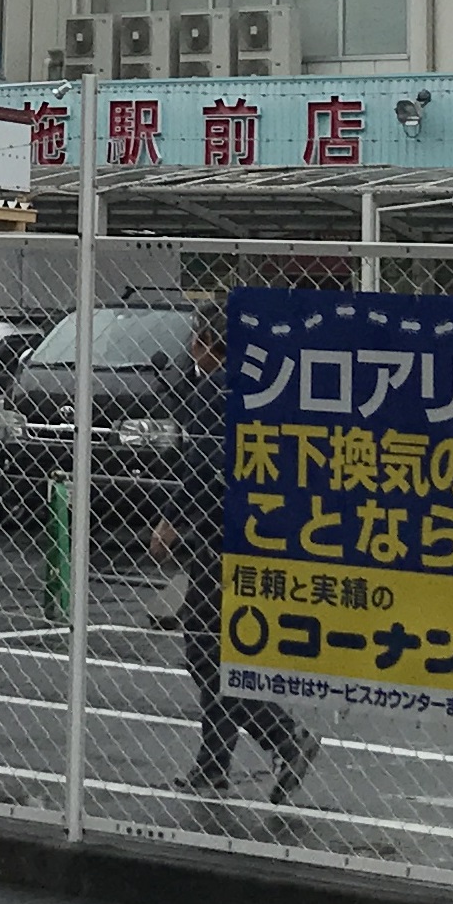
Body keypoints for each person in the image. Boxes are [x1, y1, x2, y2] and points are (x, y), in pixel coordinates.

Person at [149, 305, 316, 804]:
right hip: (264, 534)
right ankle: (213, 763)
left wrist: (171, 521)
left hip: (216, 540)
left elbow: (200, 467)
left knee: (206, 653)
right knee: (225, 650)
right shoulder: (267, 388)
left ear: (203, 343)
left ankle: (284, 736)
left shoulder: (212, 391)